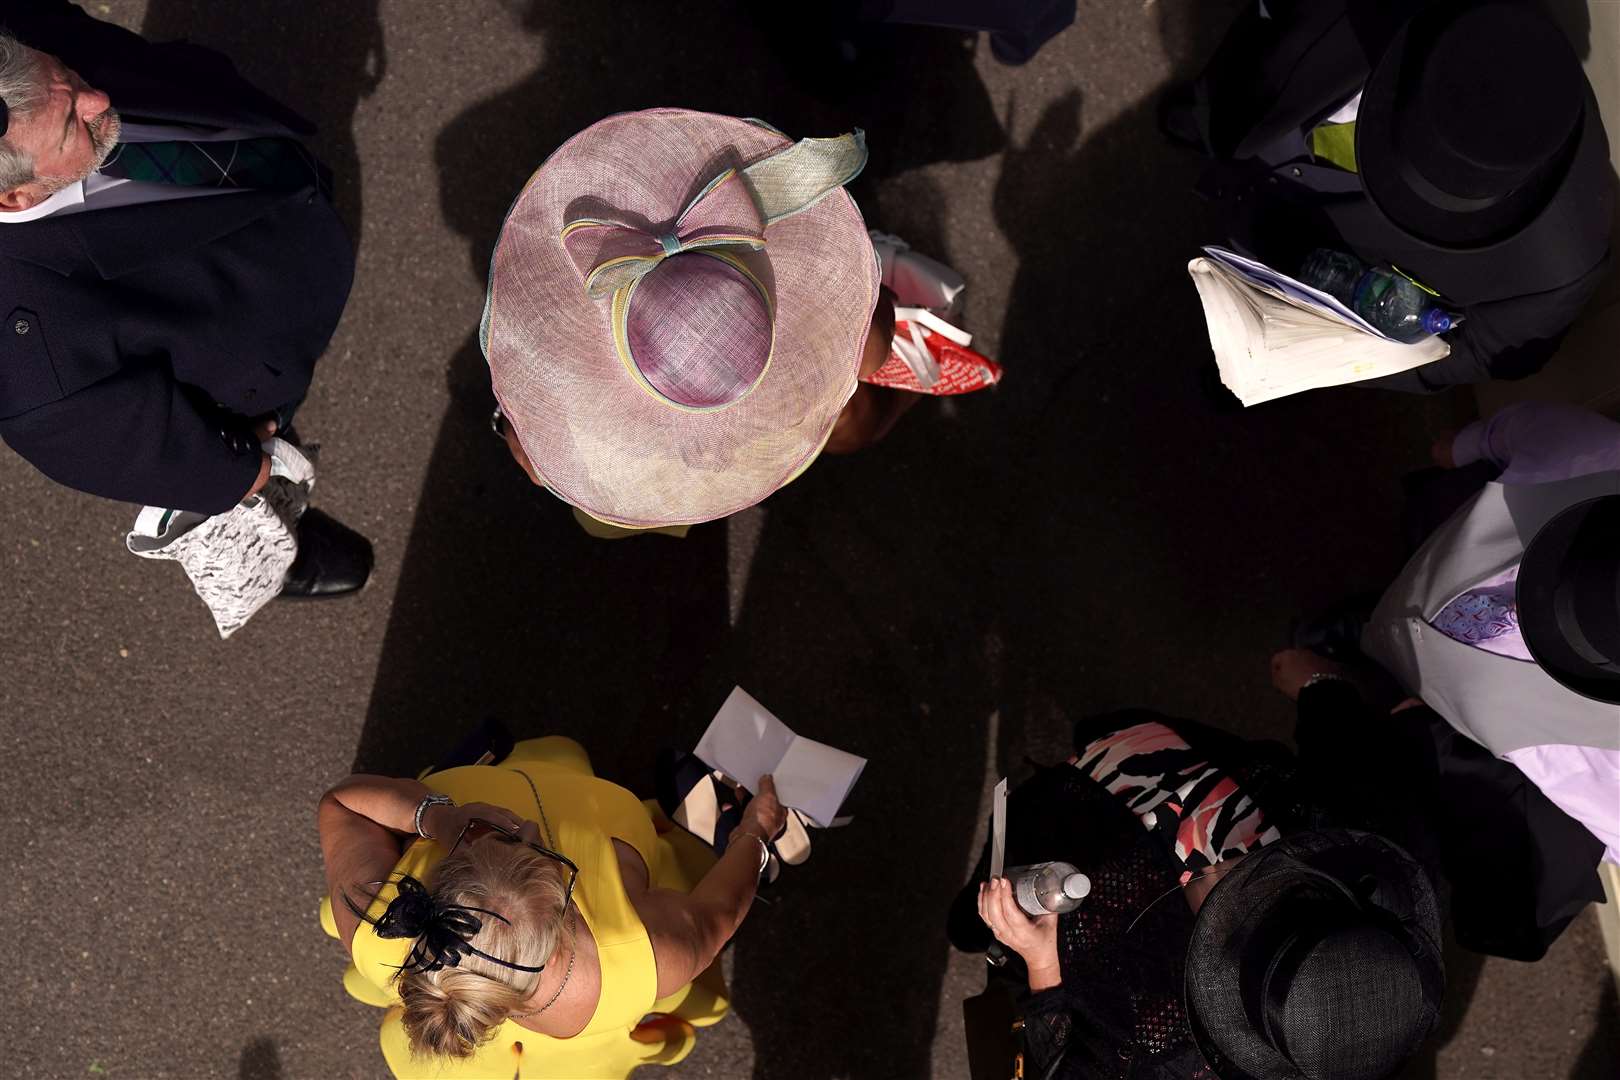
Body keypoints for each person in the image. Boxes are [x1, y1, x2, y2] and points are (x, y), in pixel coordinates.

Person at [0, 0, 370, 596]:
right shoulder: (36, 373)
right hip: (260, 372)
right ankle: (283, 549)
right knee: (253, 501)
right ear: (14, 198)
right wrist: (256, 463)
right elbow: (196, 465)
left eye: (68, 76)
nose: (101, 101)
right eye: (73, 123)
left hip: (260, 178)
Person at [951, 702, 1444, 1080]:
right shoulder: (1351, 852)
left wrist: (1041, 963)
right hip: (1132, 769)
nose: (1224, 865)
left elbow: (1065, 1069)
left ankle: (969, 930)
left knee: (973, 918)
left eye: (1234, 903)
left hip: (1065, 866)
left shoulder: (1159, 1046)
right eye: (1276, 883)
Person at [1294, 401, 1619, 957]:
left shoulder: (1604, 763)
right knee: (1400, 610)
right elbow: (1525, 428)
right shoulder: (1593, 455)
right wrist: (1468, 445)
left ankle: (1368, 636)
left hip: (1448, 702)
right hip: (1428, 586)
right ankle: (1368, 630)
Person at [481, 107, 886, 539]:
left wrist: (523, 426)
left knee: (600, 522)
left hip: (650, 470)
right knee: (856, 418)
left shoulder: (586, 447)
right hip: (732, 450)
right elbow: (874, 349)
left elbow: (537, 454)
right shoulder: (843, 350)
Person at [1166, 0, 1612, 391]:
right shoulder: (1487, 39)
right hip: (1265, 107)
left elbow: (1480, 355)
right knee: (1227, 110)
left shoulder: (1555, 273)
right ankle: (1202, 123)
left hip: (1302, 284)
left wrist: (1316, 360)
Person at [318, 735, 785, 1078]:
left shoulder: (376, 926)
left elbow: (340, 803)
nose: (523, 828)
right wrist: (755, 831)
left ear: (445, 879)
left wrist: (438, 817)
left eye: (492, 840)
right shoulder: (650, 952)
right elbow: (721, 911)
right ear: (562, 923)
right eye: (544, 853)